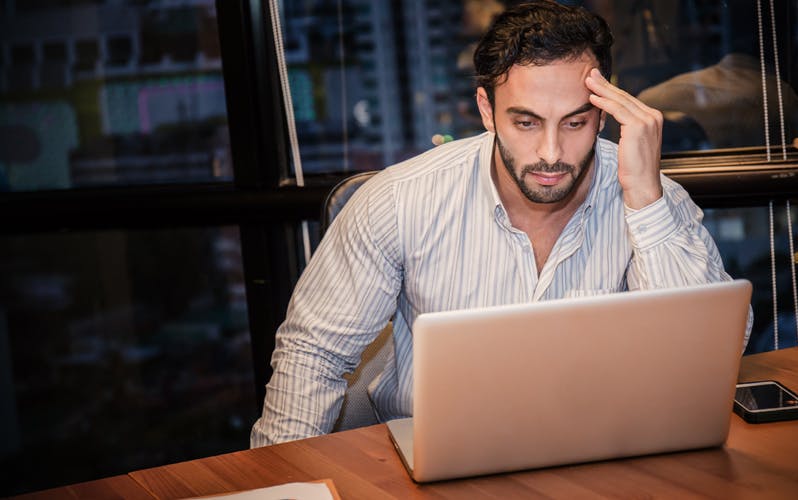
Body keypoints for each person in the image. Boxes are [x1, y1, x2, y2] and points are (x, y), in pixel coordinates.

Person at [250, 0, 750, 447]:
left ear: (603, 115)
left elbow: (702, 366)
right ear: (487, 110)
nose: (551, 154)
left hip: (605, 453)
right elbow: (312, 355)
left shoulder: (656, 200)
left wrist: (646, 202)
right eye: (527, 122)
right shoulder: (397, 202)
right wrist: (278, 485)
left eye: (575, 122)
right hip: (435, 460)